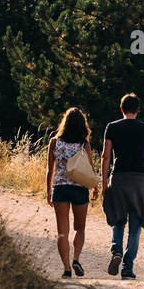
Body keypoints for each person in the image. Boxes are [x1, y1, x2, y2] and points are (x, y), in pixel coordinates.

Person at [101, 93, 144, 280]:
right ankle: (127, 267)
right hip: (139, 180)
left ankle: (116, 250)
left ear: (121, 109)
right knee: (136, 224)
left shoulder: (112, 127)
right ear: (138, 110)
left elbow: (106, 157)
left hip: (119, 179)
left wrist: (104, 183)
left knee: (118, 219)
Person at [46, 107, 98, 278]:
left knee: (63, 232)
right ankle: (76, 258)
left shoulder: (54, 142)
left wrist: (48, 192)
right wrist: (96, 187)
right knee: (80, 228)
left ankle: (67, 269)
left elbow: (50, 170)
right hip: (79, 189)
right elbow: (90, 168)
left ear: (65, 123)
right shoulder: (84, 144)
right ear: (82, 125)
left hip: (60, 189)